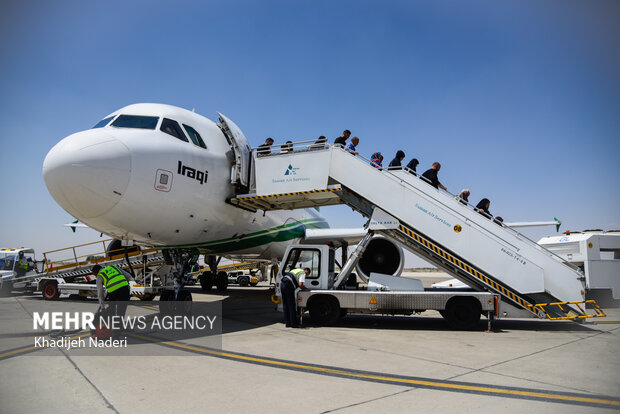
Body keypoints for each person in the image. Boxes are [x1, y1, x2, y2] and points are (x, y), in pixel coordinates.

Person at [91, 264, 132, 337]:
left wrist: (102, 307)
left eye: (94, 274)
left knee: (112, 312)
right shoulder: (113, 267)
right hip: (125, 290)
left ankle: (116, 335)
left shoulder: (100, 275)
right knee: (121, 311)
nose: (94, 275)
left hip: (113, 292)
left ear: (96, 271)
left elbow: (100, 294)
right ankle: (119, 328)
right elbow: (128, 276)